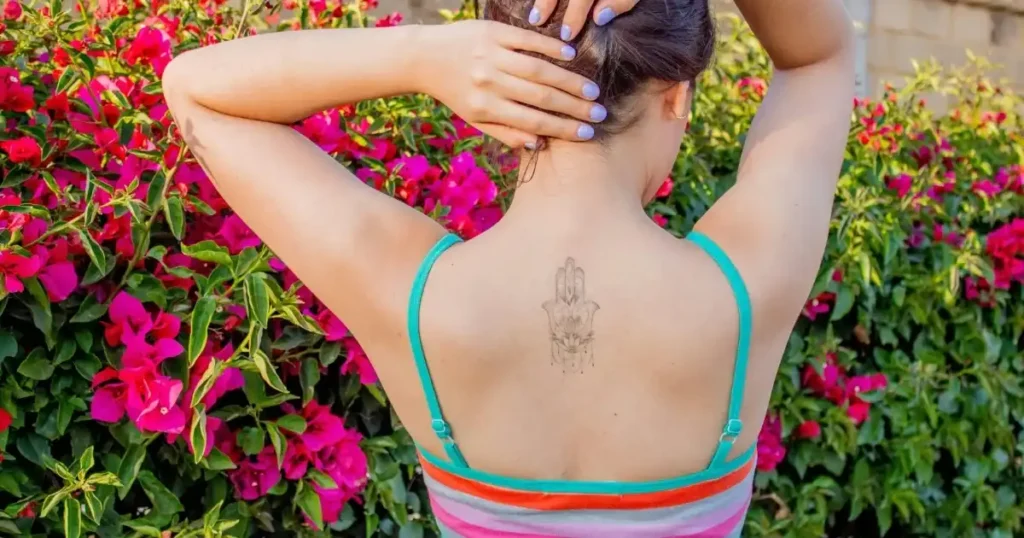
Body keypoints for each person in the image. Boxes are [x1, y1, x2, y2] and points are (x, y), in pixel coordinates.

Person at [162, 0, 854, 534]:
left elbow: (196, 89)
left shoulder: (415, 298)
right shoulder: (745, 287)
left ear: (494, 76)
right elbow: (818, 59)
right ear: (677, 93)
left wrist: (422, 54)